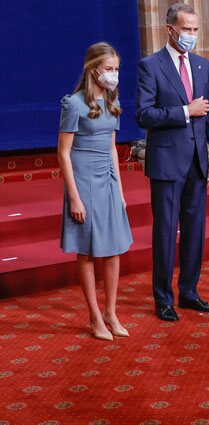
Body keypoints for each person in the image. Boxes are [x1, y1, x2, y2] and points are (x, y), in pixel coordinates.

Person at [135, 3, 209, 321]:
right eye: (187, 30)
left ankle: (189, 292)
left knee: (195, 232)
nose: (192, 35)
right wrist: (186, 111)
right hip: (167, 162)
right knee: (167, 232)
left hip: (199, 162)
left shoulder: (203, 66)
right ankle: (163, 298)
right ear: (170, 30)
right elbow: (144, 114)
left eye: (195, 30)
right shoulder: (151, 66)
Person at [58, 42, 133, 341]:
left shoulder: (112, 102)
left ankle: (111, 313)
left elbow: (113, 148)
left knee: (113, 249)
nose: (114, 75)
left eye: (116, 70)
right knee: (88, 251)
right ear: (93, 69)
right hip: (84, 180)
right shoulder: (73, 104)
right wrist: (74, 196)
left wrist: (121, 190)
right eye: (109, 70)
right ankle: (93, 316)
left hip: (109, 180)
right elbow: (63, 153)